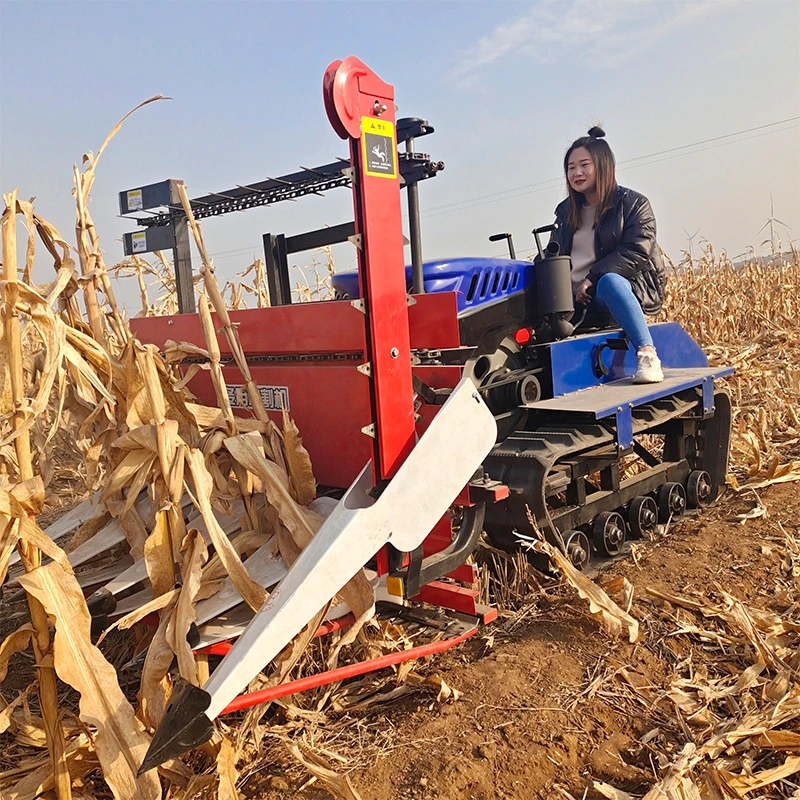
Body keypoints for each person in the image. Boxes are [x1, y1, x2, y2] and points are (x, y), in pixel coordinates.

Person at [551, 127, 667, 384]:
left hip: (621, 290)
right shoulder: (565, 212)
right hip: (574, 300)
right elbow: (554, 256)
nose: (576, 173)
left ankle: (647, 354)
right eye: (570, 167)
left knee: (609, 281)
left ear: (603, 166)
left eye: (584, 165)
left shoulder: (633, 204)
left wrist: (592, 278)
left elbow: (638, 250)